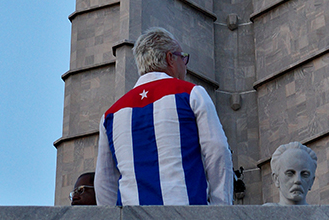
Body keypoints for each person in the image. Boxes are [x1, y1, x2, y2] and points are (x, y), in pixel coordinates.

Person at [94, 27, 233, 206]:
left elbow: (104, 182)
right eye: (183, 57)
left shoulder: (110, 116)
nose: (185, 64)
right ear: (170, 58)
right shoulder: (191, 94)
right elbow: (218, 150)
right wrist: (221, 210)